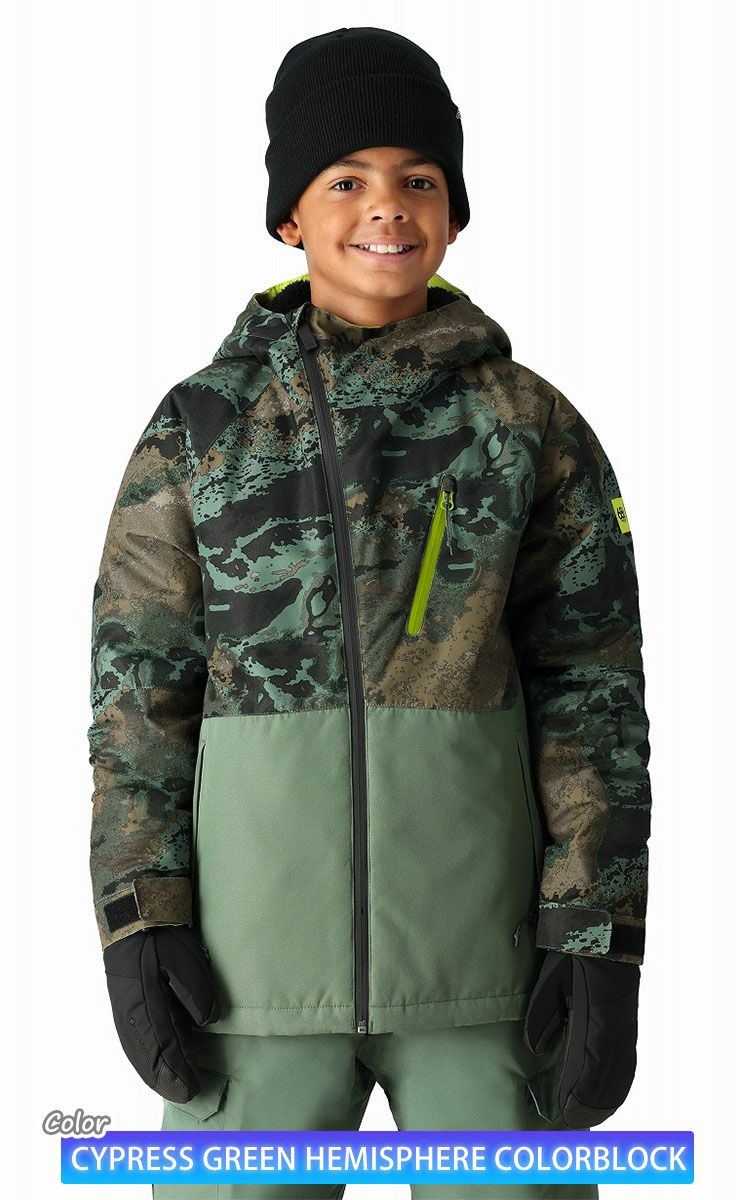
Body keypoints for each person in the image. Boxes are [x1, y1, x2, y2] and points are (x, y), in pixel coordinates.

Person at [88, 26, 652, 1200]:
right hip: (248, 982)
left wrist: (596, 929)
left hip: (483, 975)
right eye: (344, 179)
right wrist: (139, 918)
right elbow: (137, 693)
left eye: (419, 178)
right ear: (289, 218)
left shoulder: (527, 424)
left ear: (451, 210)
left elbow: (592, 694)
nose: (386, 205)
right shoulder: (199, 428)